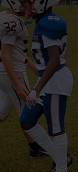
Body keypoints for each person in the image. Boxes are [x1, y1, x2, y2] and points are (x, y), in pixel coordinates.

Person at [20, 0, 74, 172]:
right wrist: (26, 60)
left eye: (30, 3)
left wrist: (36, 89)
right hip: (47, 78)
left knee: (56, 128)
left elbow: (54, 60)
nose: (26, 6)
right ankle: (61, 159)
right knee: (27, 120)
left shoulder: (48, 23)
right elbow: (44, 63)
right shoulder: (42, 22)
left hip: (55, 80)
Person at [0, 0, 47, 157]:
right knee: (27, 111)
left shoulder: (7, 18)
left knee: (2, 111)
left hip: (8, 72)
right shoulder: (12, 22)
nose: (30, 6)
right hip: (12, 73)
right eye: (26, 3)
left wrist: (39, 71)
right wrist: (17, 84)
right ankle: (35, 146)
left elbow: (20, 55)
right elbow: (5, 55)